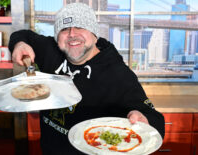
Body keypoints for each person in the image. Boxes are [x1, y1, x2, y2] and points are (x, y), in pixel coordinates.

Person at [9, 3, 165, 155]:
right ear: (58, 37)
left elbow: (155, 119)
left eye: (80, 27)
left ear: (95, 35)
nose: (71, 34)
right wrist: (20, 43)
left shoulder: (117, 73)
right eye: (64, 29)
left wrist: (144, 120)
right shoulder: (50, 50)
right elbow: (22, 35)